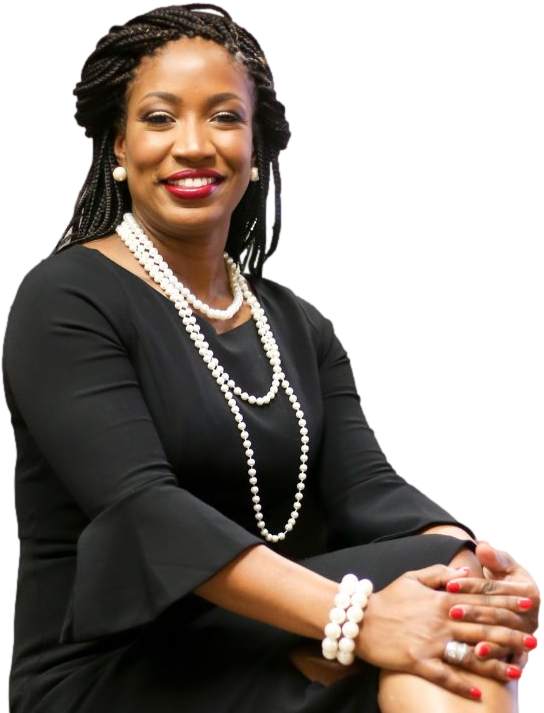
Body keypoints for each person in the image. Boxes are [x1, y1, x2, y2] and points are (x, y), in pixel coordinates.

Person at [4, 5, 539, 713]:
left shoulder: (299, 324)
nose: (193, 145)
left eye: (224, 117)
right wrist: (362, 617)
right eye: (160, 118)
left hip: (268, 635)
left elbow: (371, 490)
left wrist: (487, 574)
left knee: (451, 594)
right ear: (120, 149)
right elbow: (143, 510)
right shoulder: (64, 297)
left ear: (256, 149)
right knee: (441, 611)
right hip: (116, 669)